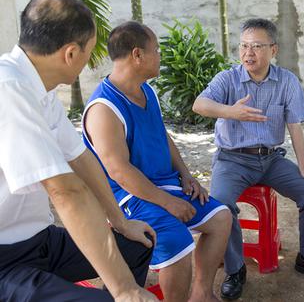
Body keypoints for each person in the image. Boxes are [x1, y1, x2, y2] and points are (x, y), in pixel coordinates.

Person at [0, 0, 157, 301]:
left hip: (38, 241)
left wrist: (121, 221)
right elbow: (66, 191)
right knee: (112, 294)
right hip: (5, 259)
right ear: (71, 53)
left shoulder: (37, 88)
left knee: (138, 246)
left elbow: (81, 157)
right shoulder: (9, 89)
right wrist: (124, 288)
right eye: (90, 52)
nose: (91, 61)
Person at [82, 21, 232, 302]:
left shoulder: (146, 91)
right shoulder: (104, 108)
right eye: (157, 50)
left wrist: (186, 175)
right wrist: (168, 202)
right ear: (137, 55)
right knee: (177, 241)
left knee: (221, 218)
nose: (160, 56)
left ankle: (201, 294)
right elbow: (118, 171)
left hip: (162, 186)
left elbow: (162, 136)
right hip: (126, 198)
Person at [192, 18, 304, 300]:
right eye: (244, 46)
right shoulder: (228, 79)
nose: (249, 53)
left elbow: (295, 125)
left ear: (273, 50)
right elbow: (200, 104)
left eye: (257, 46)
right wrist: (229, 112)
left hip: (271, 159)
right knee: (221, 205)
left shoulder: (286, 81)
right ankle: (236, 269)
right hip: (232, 160)